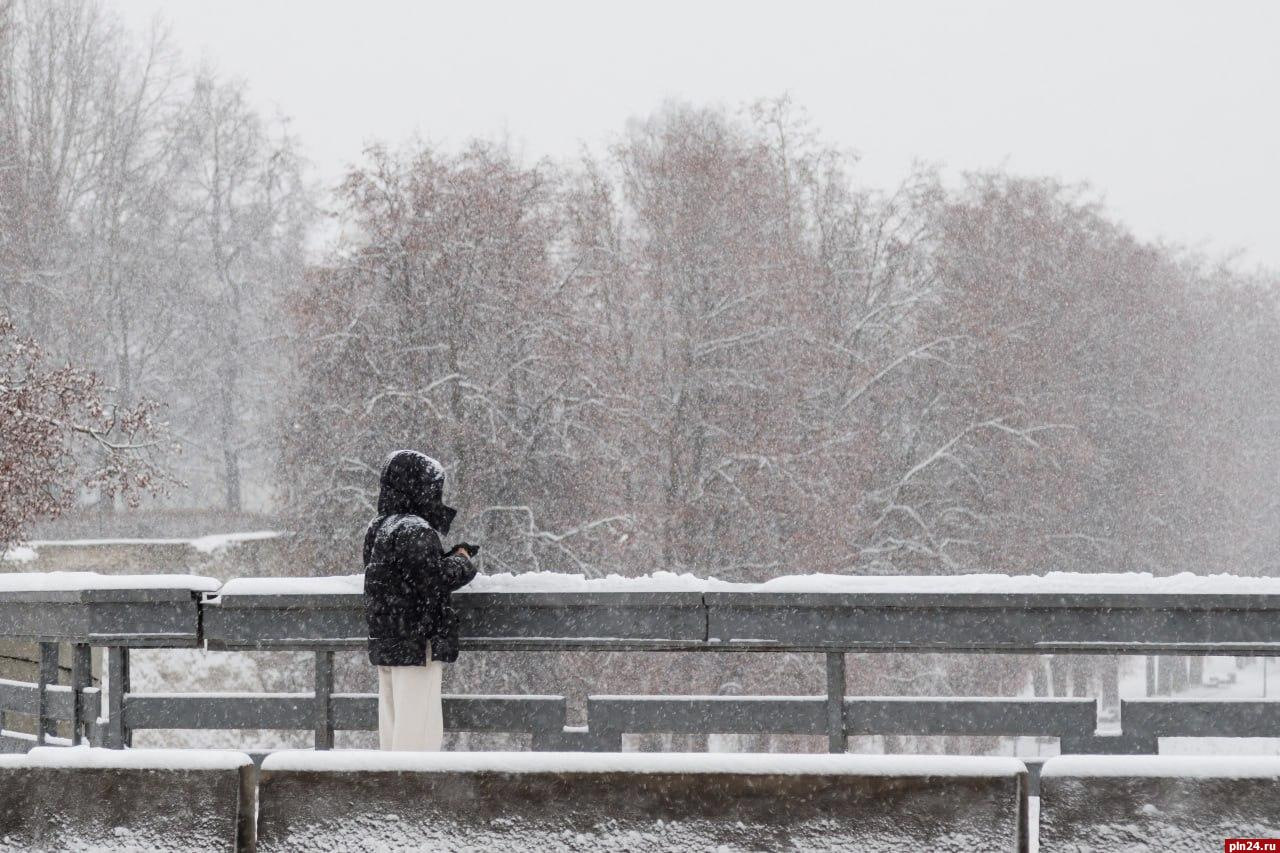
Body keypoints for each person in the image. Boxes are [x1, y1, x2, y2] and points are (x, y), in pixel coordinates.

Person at [363, 450, 477, 750]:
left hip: (387, 642)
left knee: (393, 734)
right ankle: (413, 795)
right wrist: (462, 561)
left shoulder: (380, 527)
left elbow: (404, 575)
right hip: (416, 644)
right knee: (418, 739)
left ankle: (392, 793)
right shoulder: (414, 529)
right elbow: (433, 580)